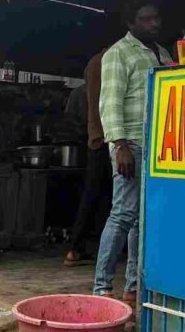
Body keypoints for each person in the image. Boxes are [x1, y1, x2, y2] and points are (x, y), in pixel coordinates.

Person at [94, 0, 171, 301]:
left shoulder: (162, 53)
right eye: (146, 19)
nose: (155, 23)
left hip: (155, 148)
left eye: (156, 17)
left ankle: (133, 286)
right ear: (131, 24)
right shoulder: (118, 54)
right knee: (122, 214)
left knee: (142, 219)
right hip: (131, 145)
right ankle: (101, 288)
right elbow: (109, 102)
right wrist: (120, 144)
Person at [65, 48, 111, 267]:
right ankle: (80, 248)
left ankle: (77, 248)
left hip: (95, 139)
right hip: (106, 138)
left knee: (95, 195)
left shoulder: (94, 63)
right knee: (101, 196)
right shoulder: (108, 61)